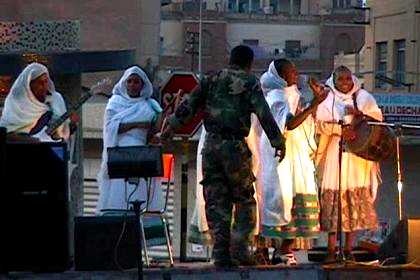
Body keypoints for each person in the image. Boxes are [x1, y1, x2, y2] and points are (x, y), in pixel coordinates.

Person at [161, 45, 286, 267]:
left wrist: (170, 127)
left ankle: (220, 254)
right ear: (248, 63)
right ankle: (239, 250)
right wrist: (278, 141)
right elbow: (264, 113)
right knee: (244, 199)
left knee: (217, 200)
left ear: (230, 60)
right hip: (234, 148)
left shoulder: (211, 79)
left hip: (211, 145)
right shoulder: (249, 82)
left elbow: (188, 106)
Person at [258, 59, 326, 265]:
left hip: (298, 154)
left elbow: (303, 119)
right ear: (280, 76)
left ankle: (286, 250)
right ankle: (280, 251)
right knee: (282, 200)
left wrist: (314, 100)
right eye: (291, 72)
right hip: (282, 155)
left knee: (294, 200)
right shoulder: (276, 97)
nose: (296, 75)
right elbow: (289, 123)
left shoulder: (292, 94)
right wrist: (314, 104)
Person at [315, 65, 382, 262]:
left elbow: (377, 118)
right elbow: (319, 124)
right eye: (340, 79)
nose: (345, 83)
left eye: (347, 79)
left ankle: (348, 249)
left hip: (356, 156)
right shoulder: (326, 97)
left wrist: (360, 116)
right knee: (334, 199)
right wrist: (339, 130)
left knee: (353, 200)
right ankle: (330, 250)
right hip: (334, 154)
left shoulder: (363, 97)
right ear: (333, 81)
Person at [96, 66, 164, 213]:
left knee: (141, 196)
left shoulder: (149, 105)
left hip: (141, 158)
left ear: (142, 85)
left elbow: (154, 131)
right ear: (125, 83)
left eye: (136, 82)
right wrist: (137, 124)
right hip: (120, 157)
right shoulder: (115, 102)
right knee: (119, 196)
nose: (133, 85)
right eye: (130, 81)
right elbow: (111, 128)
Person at [0, 62, 71, 142]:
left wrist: (60, 132)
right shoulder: (15, 101)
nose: (44, 86)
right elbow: (5, 133)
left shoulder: (54, 101)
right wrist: (30, 140)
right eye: (40, 83)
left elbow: (60, 134)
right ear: (29, 83)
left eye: (46, 82)